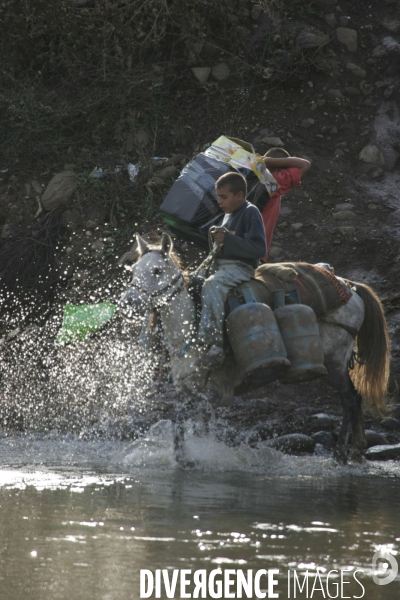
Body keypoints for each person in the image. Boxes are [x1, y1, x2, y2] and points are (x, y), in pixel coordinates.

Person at [196, 172, 266, 369]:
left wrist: (228, 239)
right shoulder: (228, 213)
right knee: (190, 282)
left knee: (212, 285)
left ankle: (214, 345)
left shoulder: (250, 212)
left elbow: (259, 248)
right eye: (218, 196)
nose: (219, 201)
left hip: (241, 268)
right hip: (222, 266)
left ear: (240, 196)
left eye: (223, 197)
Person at [261, 148, 311, 259]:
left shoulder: (251, 179)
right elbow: (305, 164)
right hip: (257, 249)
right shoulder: (273, 183)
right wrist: (269, 161)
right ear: (280, 170)